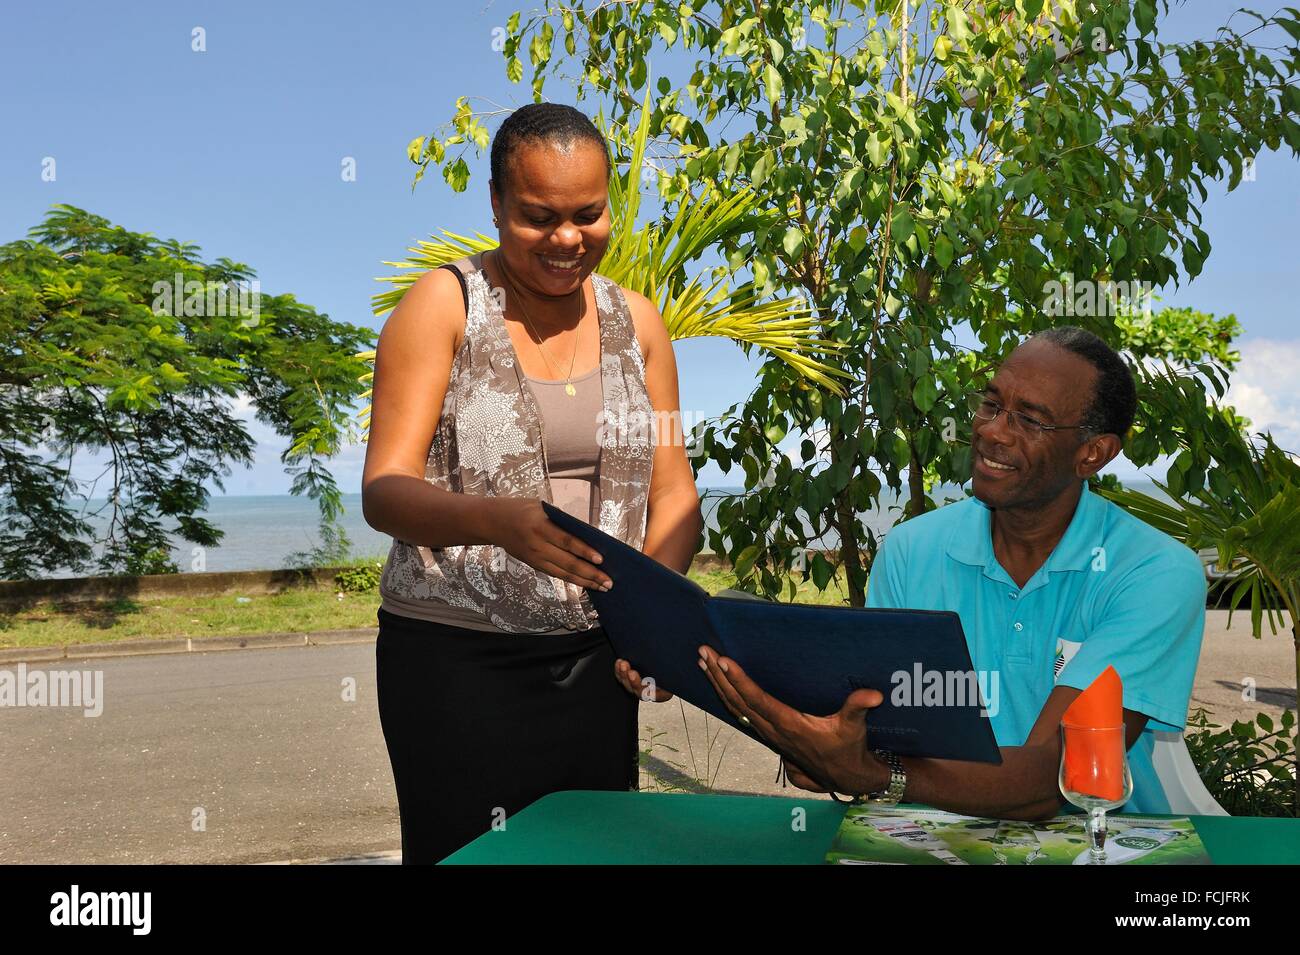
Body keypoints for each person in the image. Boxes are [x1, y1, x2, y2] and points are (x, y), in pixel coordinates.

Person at [645, 327, 1206, 818]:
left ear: (1094, 453)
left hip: (1102, 840)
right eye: (991, 404)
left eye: (1029, 420)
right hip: (927, 832)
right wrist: (802, 729)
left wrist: (870, 774)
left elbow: (1057, 779)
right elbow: (882, 727)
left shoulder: (1153, 573)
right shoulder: (914, 549)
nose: (993, 432)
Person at [362, 102, 701, 863]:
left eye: (589, 214)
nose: (567, 239)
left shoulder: (639, 325)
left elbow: (676, 494)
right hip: (454, 666)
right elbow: (384, 489)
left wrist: (655, 617)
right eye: (538, 217)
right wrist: (497, 521)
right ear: (495, 204)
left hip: (595, 662)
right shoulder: (443, 306)